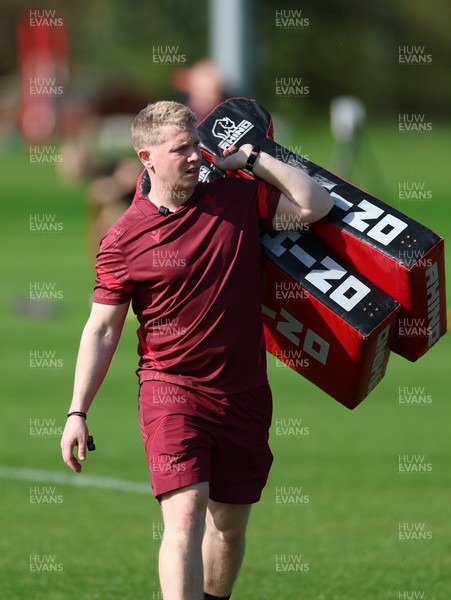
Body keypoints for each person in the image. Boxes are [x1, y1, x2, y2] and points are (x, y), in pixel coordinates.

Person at [60, 100, 333, 600]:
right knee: (183, 516)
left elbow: (315, 206)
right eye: (180, 149)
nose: (194, 157)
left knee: (227, 526)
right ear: (147, 158)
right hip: (171, 390)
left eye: (195, 145)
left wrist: (253, 160)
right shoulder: (122, 239)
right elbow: (101, 330)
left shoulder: (235, 197)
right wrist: (78, 411)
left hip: (244, 391)